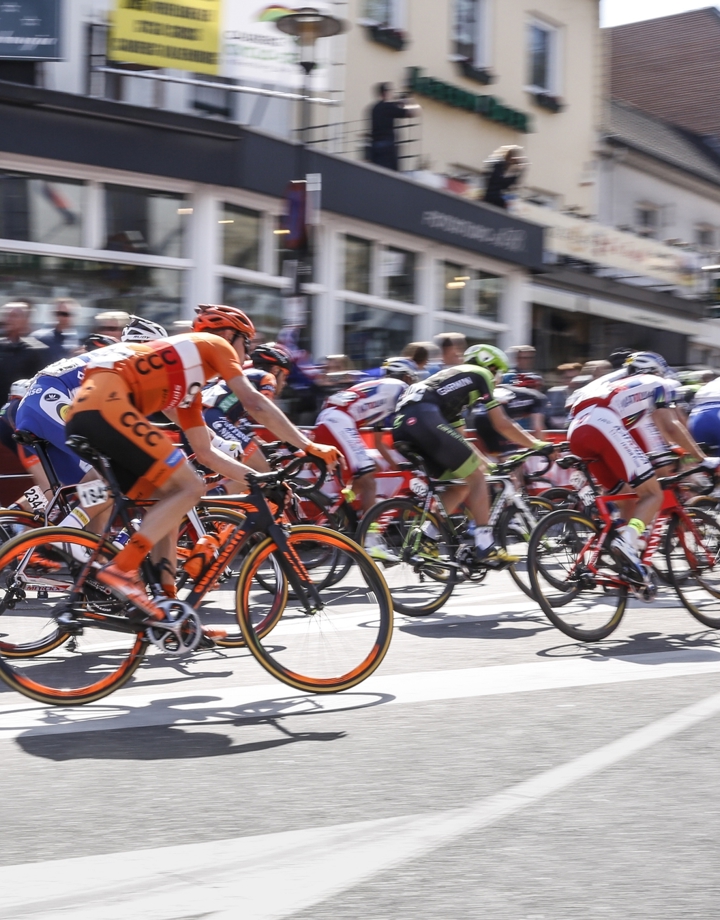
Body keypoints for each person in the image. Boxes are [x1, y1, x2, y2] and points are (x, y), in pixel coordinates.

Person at [63, 304, 340, 623]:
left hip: (85, 413)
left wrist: (259, 480)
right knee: (190, 486)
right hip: (108, 407)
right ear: (228, 334)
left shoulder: (186, 384)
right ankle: (122, 568)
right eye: (245, 343)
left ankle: (168, 610)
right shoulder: (214, 343)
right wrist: (307, 444)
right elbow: (255, 403)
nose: (245, 353)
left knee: (168, 502)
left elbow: (206, 452)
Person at [391, 344, 552, 566]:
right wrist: (536, 444)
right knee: (476, 478)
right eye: (498, 373)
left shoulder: (452, 391)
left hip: (403, 428)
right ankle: (485, 545)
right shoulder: (479, 373)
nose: (497, 379)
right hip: (423, 419)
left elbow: (460, 441)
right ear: (490, 365)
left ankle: (425, 538)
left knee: (462, 483)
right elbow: (501, 423)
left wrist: (488, 464)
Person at [567, 364, 715, 582]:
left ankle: (622, 561)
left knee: (628, 499)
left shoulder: (621, 387)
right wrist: (703, 459)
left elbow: (632, 441)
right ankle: (626, 542)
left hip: (576, 433)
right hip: (601, 425)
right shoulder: (659, 384)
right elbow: (671, 426)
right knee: (653, 494)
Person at [313, 357, 419, 514]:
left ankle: (339, 509)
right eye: (412, 380)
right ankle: (369, 534)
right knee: (369, 481)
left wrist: (396, 466)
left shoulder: (383, 394)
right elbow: (409, 425)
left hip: (330, 419)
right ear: (406, 377)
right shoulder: (400, 388)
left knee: (372, 468)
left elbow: (378, 443)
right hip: (340, 420)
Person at [369, 82, 420, 172]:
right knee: (391, 174)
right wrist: (409, 101)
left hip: (375, 146)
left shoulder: (374, 108)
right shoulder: (389, 107)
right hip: (387, 146)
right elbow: (414, 112)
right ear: (386, 93)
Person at [483, 145, 526, 210]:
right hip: (492, 195)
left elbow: (509, 184)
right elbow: (500, 182)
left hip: (495, 195)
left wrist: (519, 172)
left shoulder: (504, 167)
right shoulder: (499, 166)